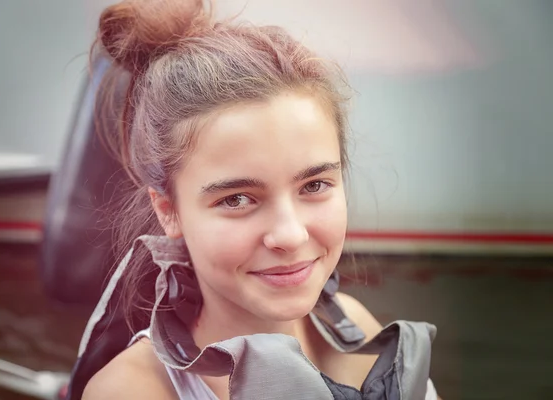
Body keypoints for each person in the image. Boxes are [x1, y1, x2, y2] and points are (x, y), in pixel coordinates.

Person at [75, 0, 440, 399]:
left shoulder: (356, 326)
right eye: (237, 199)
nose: (290, 235)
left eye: (314, 185)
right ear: (169, 211)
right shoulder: (132, 392)